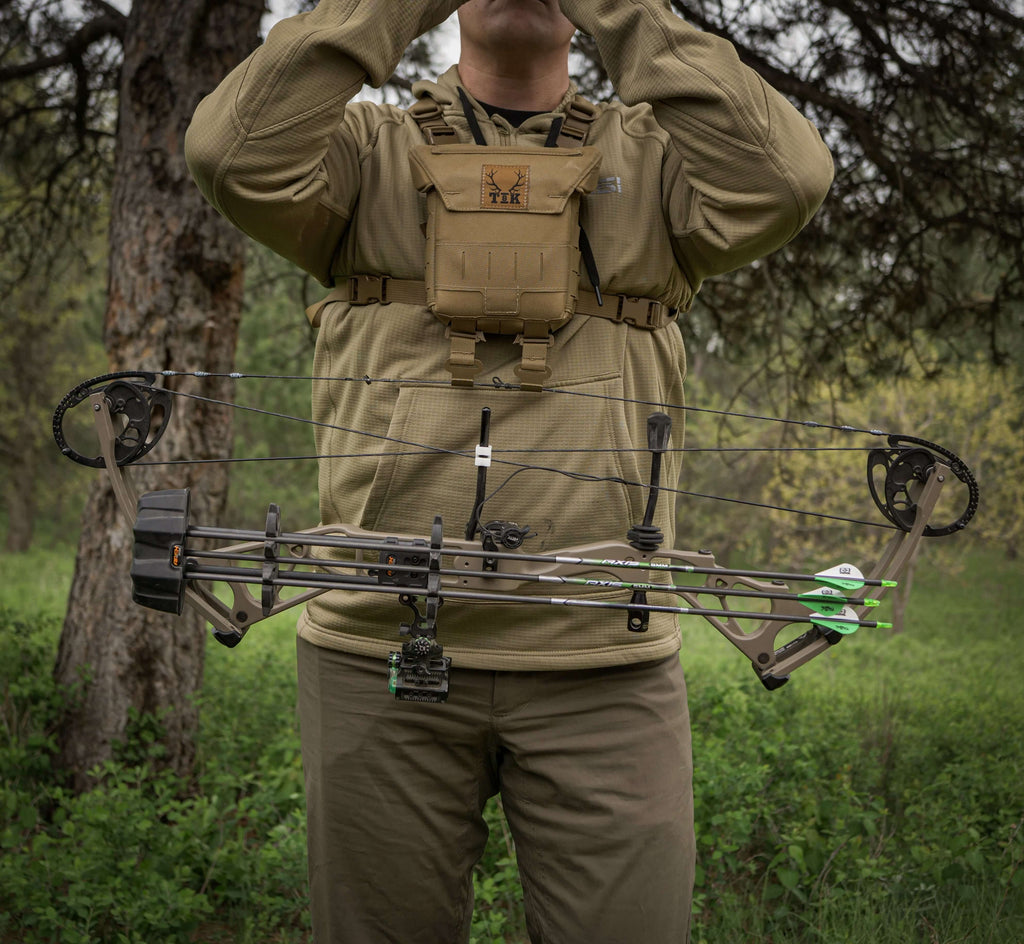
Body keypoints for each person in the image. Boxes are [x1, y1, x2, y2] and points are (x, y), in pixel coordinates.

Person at [184, 0, 833, 940]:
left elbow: (789, 177)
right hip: (379, 653)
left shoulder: (657, 164)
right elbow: (228, 153)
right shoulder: (362, 155)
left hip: (605, 662)